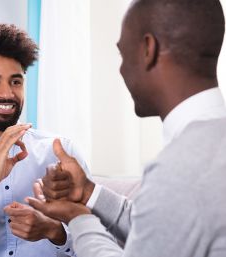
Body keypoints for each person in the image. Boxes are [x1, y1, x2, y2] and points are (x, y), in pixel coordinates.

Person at [26, 0, 226, 256]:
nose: (121, 69)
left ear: (147, 49)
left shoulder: (181, 167)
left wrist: (77, 217)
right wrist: (87, 192)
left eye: (123, 54)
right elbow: (162, 231)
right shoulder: (210, 145)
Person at [0, 18, 89, 257]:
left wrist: (54, 231)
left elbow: (97, 242)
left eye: (16, 81)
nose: (7, 93)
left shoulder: (60, 151)